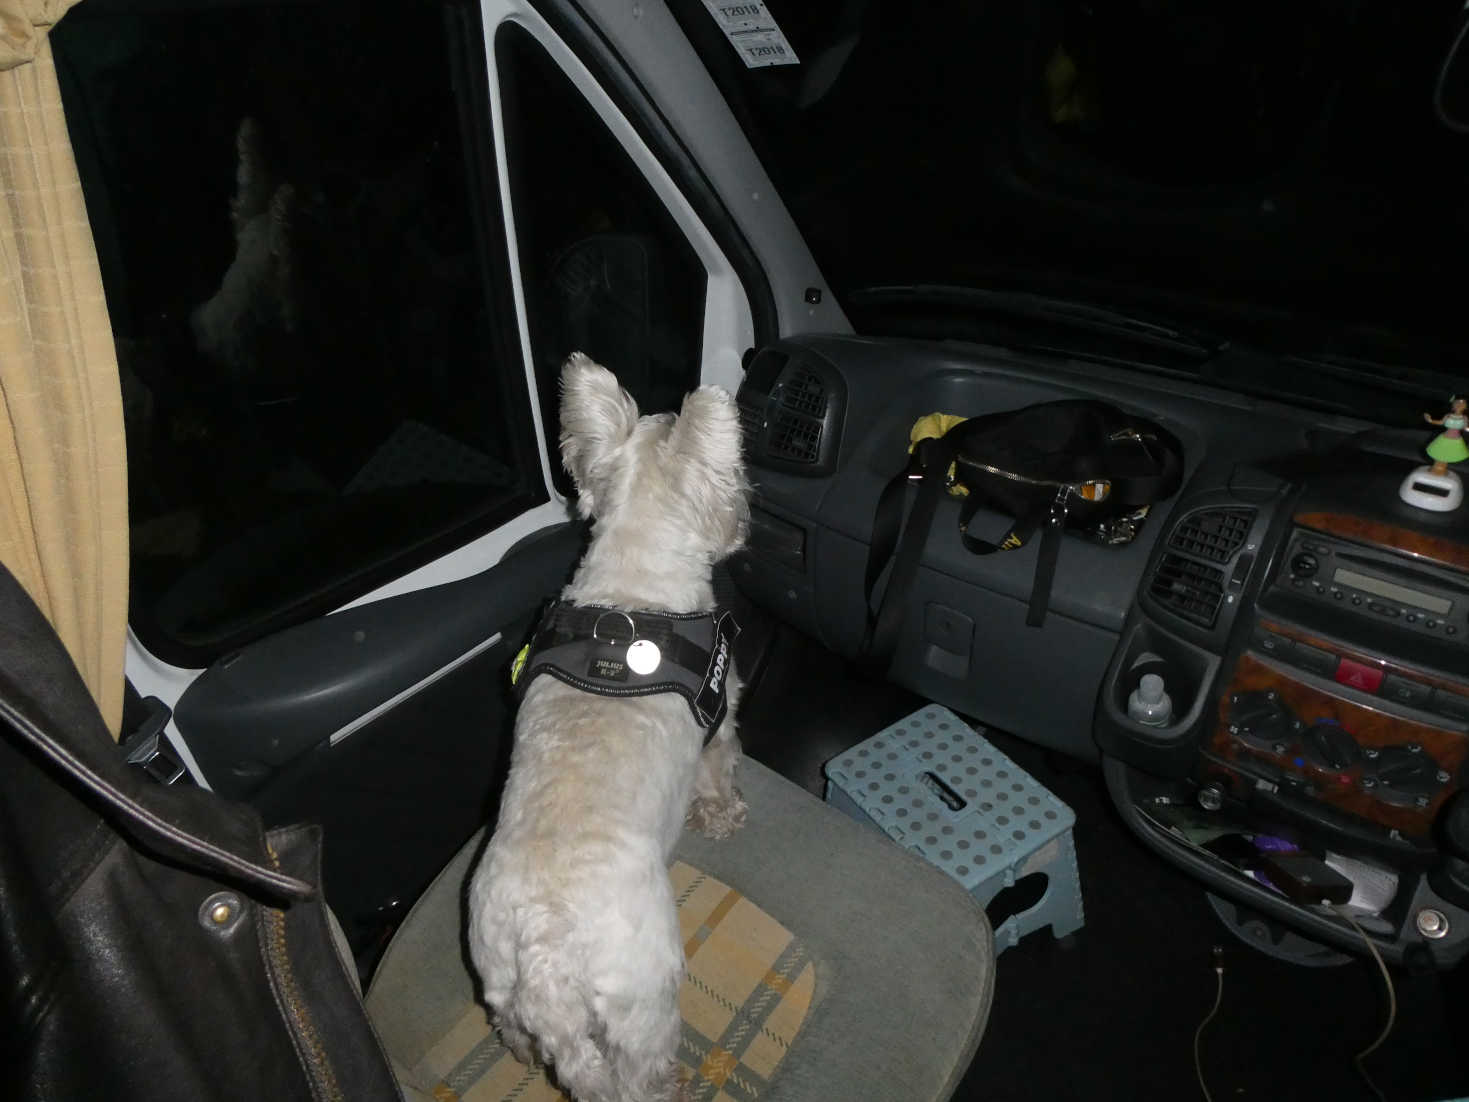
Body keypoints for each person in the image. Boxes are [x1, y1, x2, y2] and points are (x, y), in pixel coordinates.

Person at [1424, 395, 1469, 475]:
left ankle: (1441, 469)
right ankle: (1436, 469)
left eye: (1462, 403)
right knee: (1439, 453)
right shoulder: (1448, 416)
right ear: (1453, 405)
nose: (1459, 405)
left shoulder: (1464, 418)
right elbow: (1441, 422)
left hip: (1456, 440)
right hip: (1445, 438)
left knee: (1448, 454)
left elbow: (1465, 428)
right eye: (1457, 403)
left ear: (1465, 406)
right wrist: (1430, 420)